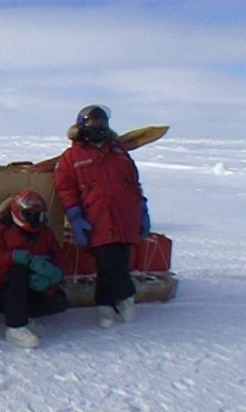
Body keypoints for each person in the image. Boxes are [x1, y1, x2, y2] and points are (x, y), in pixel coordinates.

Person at [54, 104, 151, 328]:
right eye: (94, 123)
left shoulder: (119, 154)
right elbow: (66, 189)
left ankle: (105, 306)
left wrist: (142, 210)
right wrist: (75, 216)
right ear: (82, 126)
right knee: (108, 261)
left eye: (102, 123)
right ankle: (126, 297)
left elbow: (134, 185)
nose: (99, 127)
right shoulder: (71, 158)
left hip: (125, 215)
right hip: (96, 218)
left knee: (118, 259)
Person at [0, 189, 69, 348]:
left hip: (35, 285)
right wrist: (15, 257)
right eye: (29, 214)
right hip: (6, 287)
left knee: (59, 302)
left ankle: (26, 315)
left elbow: (59, 255)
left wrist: (55, 274)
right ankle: (15, 327)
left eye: (37, 214)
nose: (34, 219)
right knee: (17, 272)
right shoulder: (0, 229)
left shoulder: (45, 232)